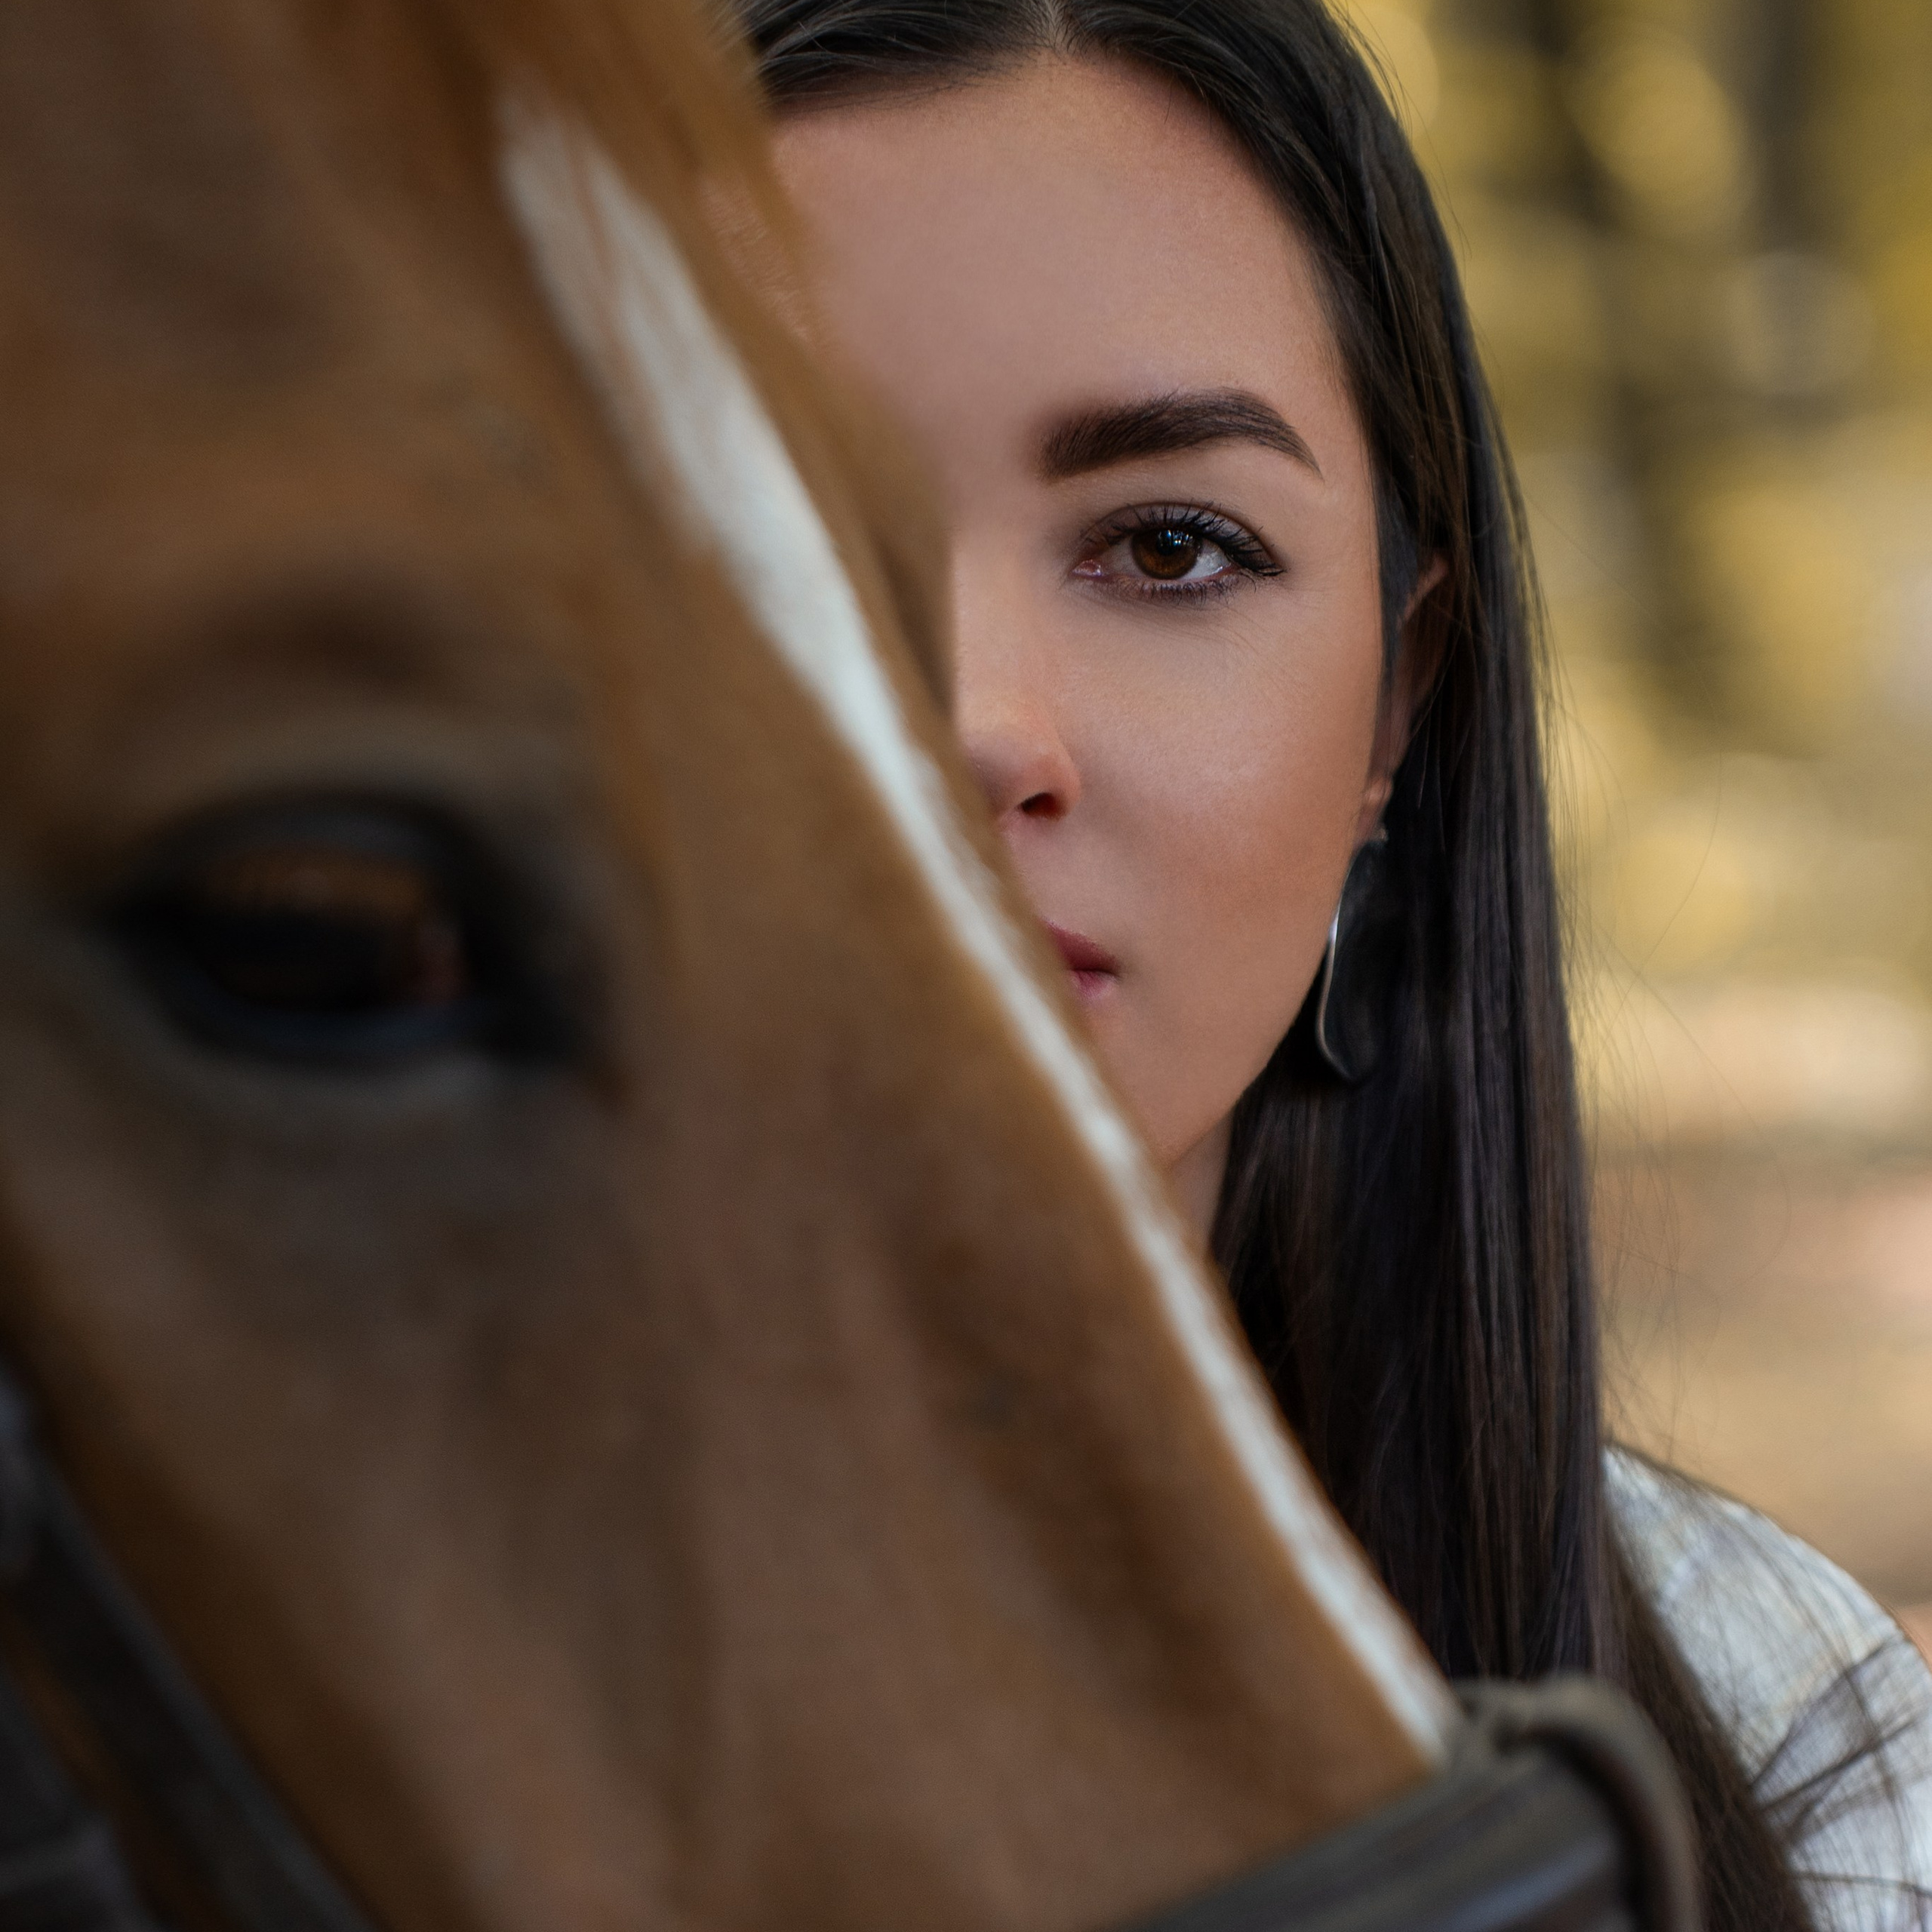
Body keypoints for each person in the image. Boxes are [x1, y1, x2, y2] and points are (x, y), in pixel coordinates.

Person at [732, 1, 1932, 1924]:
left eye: (1168, 548)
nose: (967, 724)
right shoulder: (137, 1726)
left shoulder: (1781, 1740)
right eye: (766, 516)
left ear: (1397, 708)